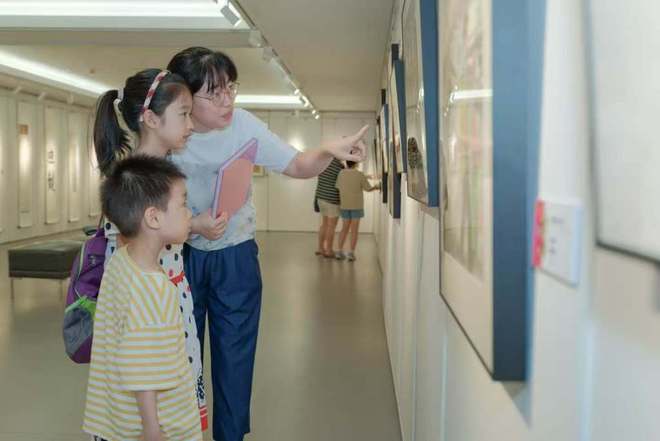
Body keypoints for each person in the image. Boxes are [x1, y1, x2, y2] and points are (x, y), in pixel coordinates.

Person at [166, 47, 368, 441]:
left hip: (235, 256)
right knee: (178, 358)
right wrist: (192, 226)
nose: (227, 100)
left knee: (235, 359)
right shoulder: (170, 135)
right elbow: (147, 209)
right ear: (186, 97)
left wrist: (327, 151)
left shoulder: (243, 124)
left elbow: (297, 164)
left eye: (230, 88)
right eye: (214, 93)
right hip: (178, 255)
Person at [92, 68, 217, 432]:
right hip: (151, 301)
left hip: (172, 293)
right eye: (183, 114)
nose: (191, 125)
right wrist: (193, 226)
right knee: (153, 403)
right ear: (150, 119)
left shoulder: (157, 172)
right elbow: (137, 246)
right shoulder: (135, 181)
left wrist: (193, 225)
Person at [82, 155, 201, 441]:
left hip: (115, 419)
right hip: (160, 427)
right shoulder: (152, 287)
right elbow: (143, 369)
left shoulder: (121, 262)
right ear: (153, 217)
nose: (189, 213)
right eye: (183, 204)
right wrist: (152, 429)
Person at [335, 161, 379, 261]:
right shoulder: (359, 174)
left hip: (345, 205)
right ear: (356, 164)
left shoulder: (341, 173)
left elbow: (338, 187)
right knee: (354, 230)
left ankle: (339, 251)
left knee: (344, 229)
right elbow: (368, 188)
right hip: (356, 206)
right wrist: (377, 187)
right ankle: (351, 253)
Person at [314, 158, 344, 257]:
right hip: (332, 199)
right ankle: (329, 250)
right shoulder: (339, 167)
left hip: (320, 197)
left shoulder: (323, 163)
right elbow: (341, 185)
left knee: (324, 224)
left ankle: (320, 248)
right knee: (331, 226)